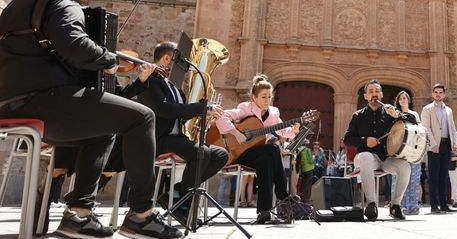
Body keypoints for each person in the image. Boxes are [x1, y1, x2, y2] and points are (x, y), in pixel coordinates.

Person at [0, 0, 182, 239]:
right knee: (142, 117)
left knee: (104, 128)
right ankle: (142, 216)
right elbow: (74, 44)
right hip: (40, 102)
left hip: (10, 103)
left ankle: (79, 216)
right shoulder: (63, 2)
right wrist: (109, 61)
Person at [124, 41, 229, 224]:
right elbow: (167, 110)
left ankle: (177, 193)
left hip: (176, 138)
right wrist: (201, 108)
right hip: (159, 139)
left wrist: (205, 114)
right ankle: (182, 204)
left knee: (220, 154)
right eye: (182, 62)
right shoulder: (150, 81)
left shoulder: (175, 87)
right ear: (167, 59)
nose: (187, 67)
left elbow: (181, 111)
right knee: (201, 153)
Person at [215, 74, 299, 223]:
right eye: (263, 97)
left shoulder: (273, 113)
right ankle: (282, 195)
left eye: (269, 97)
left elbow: (282, 131)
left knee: (266, 162)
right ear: (254, 98)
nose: (267, 100)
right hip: (236, 153)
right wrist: (236, 133)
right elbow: (222, 116)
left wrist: (294, 130)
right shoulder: (245, 108)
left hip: (256, 155)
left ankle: (264, 212)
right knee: (273, 149)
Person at [343, 79, 414, 220]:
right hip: (365, 159)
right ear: (365, 96)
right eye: (370, 92)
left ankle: (395, 205)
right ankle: (371, 204)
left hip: (387, 159)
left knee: (405, 166)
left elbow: (414, 122)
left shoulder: (390, 113)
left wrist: (398, 115)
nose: (374, 94)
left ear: (381, 94)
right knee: (365, 157)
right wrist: (364, 141)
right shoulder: (358, 116)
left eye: (377, 91)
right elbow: (347, 138)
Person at [421, 83, 457, 214]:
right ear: (432, 94)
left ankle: (444, 204)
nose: (438, 94)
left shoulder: (448, 110)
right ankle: (434, 205)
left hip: (446, 144)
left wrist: (455, 143)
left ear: (444, 94)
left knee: (444, 176)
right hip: (434, 146)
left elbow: (452, 128)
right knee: (433, 176)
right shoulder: (427, 109)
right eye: (436, 92)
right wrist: (432, 144)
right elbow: (425, 128)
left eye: (440, 92)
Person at [395, 90, 422, 215]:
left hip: (412, 149)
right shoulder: (395, 114)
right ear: (398, 101)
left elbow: (420, 130)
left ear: (408, 100)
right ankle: (401, 205)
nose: (403, 100)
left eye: (405, 98)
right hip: (399, 150)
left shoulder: (414, 114)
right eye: (400, 98)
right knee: (401, 178)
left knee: (414, 178)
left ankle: (413, 206)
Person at [295, 139, 315, 203]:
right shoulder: (307, 150)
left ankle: (302, 198)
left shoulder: (300, 151)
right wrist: (314, 157)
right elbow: (310, 161)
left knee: (303, 185)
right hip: (309, 169)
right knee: (308, 186)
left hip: (303, 170)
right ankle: (306, 200)